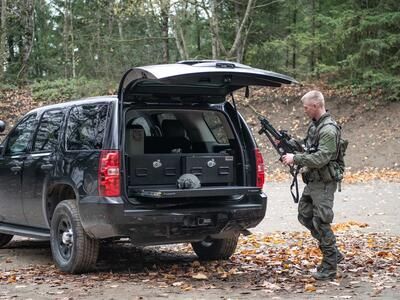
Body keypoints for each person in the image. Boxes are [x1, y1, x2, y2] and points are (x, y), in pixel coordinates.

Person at [282, 90, 344, 280]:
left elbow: (321, 157)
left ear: (316, 106)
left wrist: (295, 158)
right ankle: (333, 251)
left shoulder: (328, 129)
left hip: (324, 182)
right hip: (313, 180)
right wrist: (288, 142)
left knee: (321, 221)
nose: (305, 110)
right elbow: (308, 147)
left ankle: (330, 266)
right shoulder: (315, 126)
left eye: (306, 107)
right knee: (305, 215)